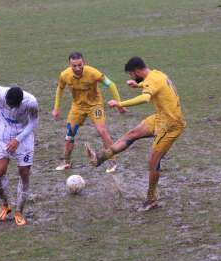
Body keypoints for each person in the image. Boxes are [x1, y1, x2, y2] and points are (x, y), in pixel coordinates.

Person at [85, 56, 186, 211]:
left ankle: (151, 198)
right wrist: (139, 84)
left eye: (131, 75)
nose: (131, 77)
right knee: (132, 134)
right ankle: (101, 158)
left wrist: (120, 103)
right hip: (161, 117)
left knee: (152, 161)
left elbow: (145, 99)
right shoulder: (156, 74)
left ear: (137, 71)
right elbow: (155, 86)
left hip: (171, 124)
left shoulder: (151, 81)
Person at [52, 52, 127, 173]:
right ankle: (66, 162)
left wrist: (120, 104)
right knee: (69, 132)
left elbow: (111, 84)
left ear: (84, 62)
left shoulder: (93, 73)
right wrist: (56, 108)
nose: (77, 68)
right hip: (78, 107)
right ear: (69, 64)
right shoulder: (65, 75)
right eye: (74, 66)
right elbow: (60, 89)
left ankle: (112, 162)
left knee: (102, 131)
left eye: (79, 65)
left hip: (95, 106)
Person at [0, 81, 39, 226]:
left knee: (24, 173)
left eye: (12, 106)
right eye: (7, 104)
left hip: (24, 137)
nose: (9, 107)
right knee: (0, 170)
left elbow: (34, 122)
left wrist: (18, 139)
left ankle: (19, 212)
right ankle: (5, 205)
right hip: (4, 135)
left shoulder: (31, 102)